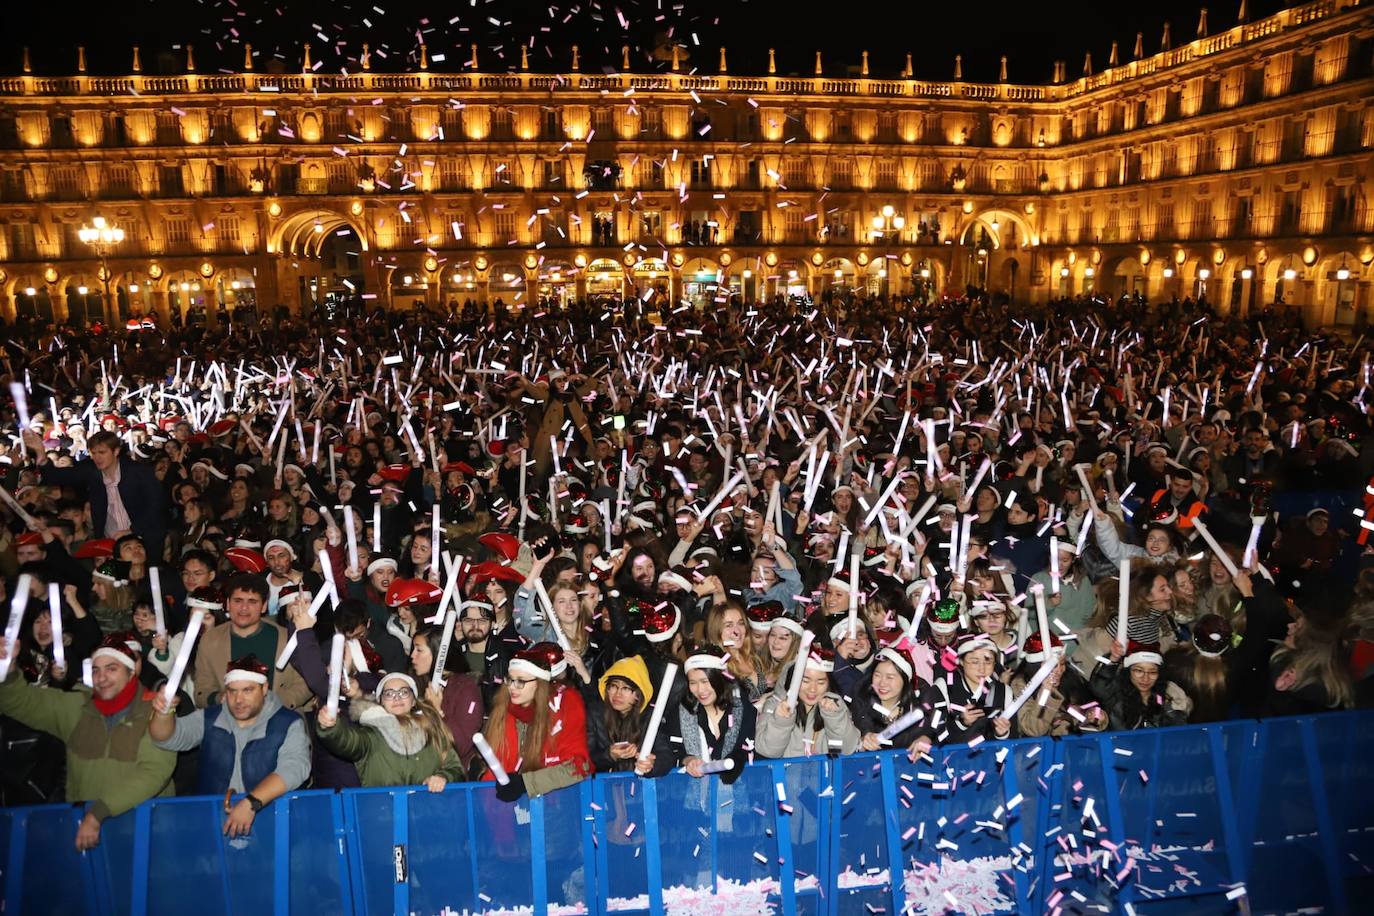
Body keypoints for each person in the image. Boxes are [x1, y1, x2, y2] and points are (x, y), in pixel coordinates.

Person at [0, 632, 175, 850]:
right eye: (96, 670)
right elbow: (20, 703)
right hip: (89, 832)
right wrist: (7, 671)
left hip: (144, 829)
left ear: (131, 673)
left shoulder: (154, 710)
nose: (101, 678)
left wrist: (98, 812)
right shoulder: (76, 707)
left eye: (112, 669)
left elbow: (155, 772)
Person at [148, 655, 312, 836]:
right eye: (232, 691)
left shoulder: (288, 723)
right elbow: (166, 738)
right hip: (214, 824)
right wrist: (164, 713)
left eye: (247, 690)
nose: (238, 699)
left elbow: (295, 768)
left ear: (264, 688)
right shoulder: (210, 718)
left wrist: (251, 802)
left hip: (271, 823)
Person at [316, 671, 466, 791]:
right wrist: (330, 727)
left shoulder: (432, 730)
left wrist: (443, 777)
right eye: (389, 694)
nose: (396, 697)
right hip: (383, 816)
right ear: (380, 702)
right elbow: (348, 741)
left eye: (404, 692)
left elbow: (455, 767)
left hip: (427, 814)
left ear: (413, 700)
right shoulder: (371, 733)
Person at [480, 642, 592, 801]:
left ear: (540, 683)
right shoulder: (503, 711)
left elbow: (579, 766)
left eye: (521, 681)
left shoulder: (568, 704)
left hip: (560, 805)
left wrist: (525, 783)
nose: (512, 687)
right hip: (514, 809)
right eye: (510, 680)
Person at [25, 428, 167, 552]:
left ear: (116, 451)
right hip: (109, 545)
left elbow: (156, 505)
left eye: (102, 452)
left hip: (144, 541)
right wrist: (41, 453)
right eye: (93, 453)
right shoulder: (91, 470)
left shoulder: (139, 472)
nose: (97, 457)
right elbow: (56, 476)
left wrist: (132, 531)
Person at [193, 573, 312, 709]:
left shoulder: (286, 638)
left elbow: (305, 682)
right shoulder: (210, 640)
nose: (244, 608)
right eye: (238, 601)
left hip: (279, 716)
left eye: (252, 601)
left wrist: (274, 703)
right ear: (227, 604)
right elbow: (202, 688)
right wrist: (219, 698)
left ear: (264, 606)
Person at [756, 647, 860, 758]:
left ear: (829, 683)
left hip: (824, 774)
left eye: (820, 682)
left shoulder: (836, 706)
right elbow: (768, 751)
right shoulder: (775, 704)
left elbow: (845, 750)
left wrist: (834, 718)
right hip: (783, 774)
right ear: (793, 679)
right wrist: (781, 721)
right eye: (805, 681)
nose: (812, 689)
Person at [674, 645, 755, 781]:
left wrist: (735, 761)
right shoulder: (683, 711)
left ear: (719, 678)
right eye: (693, 682)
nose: (700, 690)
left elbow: (748, 748)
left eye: (705, 681)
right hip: (693, 794)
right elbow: (672, 751)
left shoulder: (743, 707)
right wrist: (688, 760)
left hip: (742, 791)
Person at [586, 655, 668, 775]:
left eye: (626, 688)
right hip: (604, 785)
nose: (617, 694)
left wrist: (651, 764)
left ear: (638, 694)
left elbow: (666, 754)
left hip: (641, 785)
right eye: (613, 686)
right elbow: (585, 760)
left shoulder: (651, 717)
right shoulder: (595, 713)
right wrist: (609, 755)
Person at [1090, 640, 1192, 729]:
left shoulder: (1168, 696)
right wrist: (1113, 659)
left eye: (1152, 672)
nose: (1145, 678)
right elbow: (1099, 686)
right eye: (1139, 671)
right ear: (1128, 671)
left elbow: (1178, 732)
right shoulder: (1115, 694)